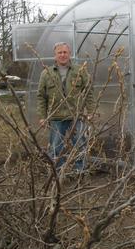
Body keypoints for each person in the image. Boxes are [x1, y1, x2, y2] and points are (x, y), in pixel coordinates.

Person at [37, 42, 94, 172]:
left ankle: (80, 172)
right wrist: (42, 116)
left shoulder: (80, 71)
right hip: (56, 117)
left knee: (80, 145)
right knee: (56, 147)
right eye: (59, 52)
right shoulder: (46, 73)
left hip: (76, 115)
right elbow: (41, 96)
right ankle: (58, 174)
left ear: (69, 54)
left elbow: (89, 92)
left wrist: (91, 111)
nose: (62, 55)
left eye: (65, 52)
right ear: (55, 55)